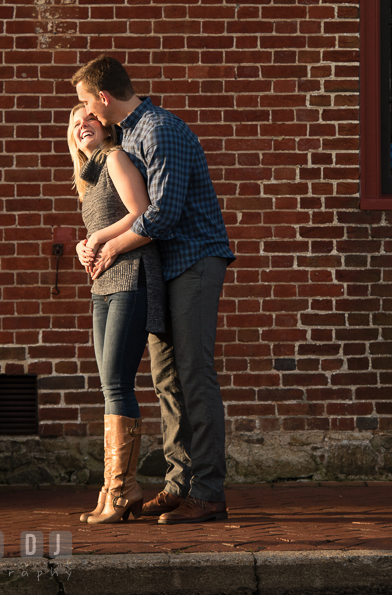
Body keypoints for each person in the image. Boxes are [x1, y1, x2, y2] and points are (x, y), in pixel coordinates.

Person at [71, 55, 235, 525]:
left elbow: (162, 214)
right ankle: (178, 485)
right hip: (160, 269)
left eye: (87, 103)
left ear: (103, 98)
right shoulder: (129, 135)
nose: (86, 114)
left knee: (194, 373)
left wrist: (107, 244)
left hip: (195, 261)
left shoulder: (159, 129)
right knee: (166, 380)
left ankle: (207, 493)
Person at [67, 103, 166, 525]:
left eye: (88, 118)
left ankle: (124, 489)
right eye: (74, 124)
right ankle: (113, 488)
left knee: (117, 382)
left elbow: (142, 213)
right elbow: (104, 227)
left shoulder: (116, 157)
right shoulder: (88, 177)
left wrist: (97, 237)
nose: (81, 126)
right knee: (109, 384)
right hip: (104, 284)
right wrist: (81, 247)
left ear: (105, 126)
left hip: (131, 277)